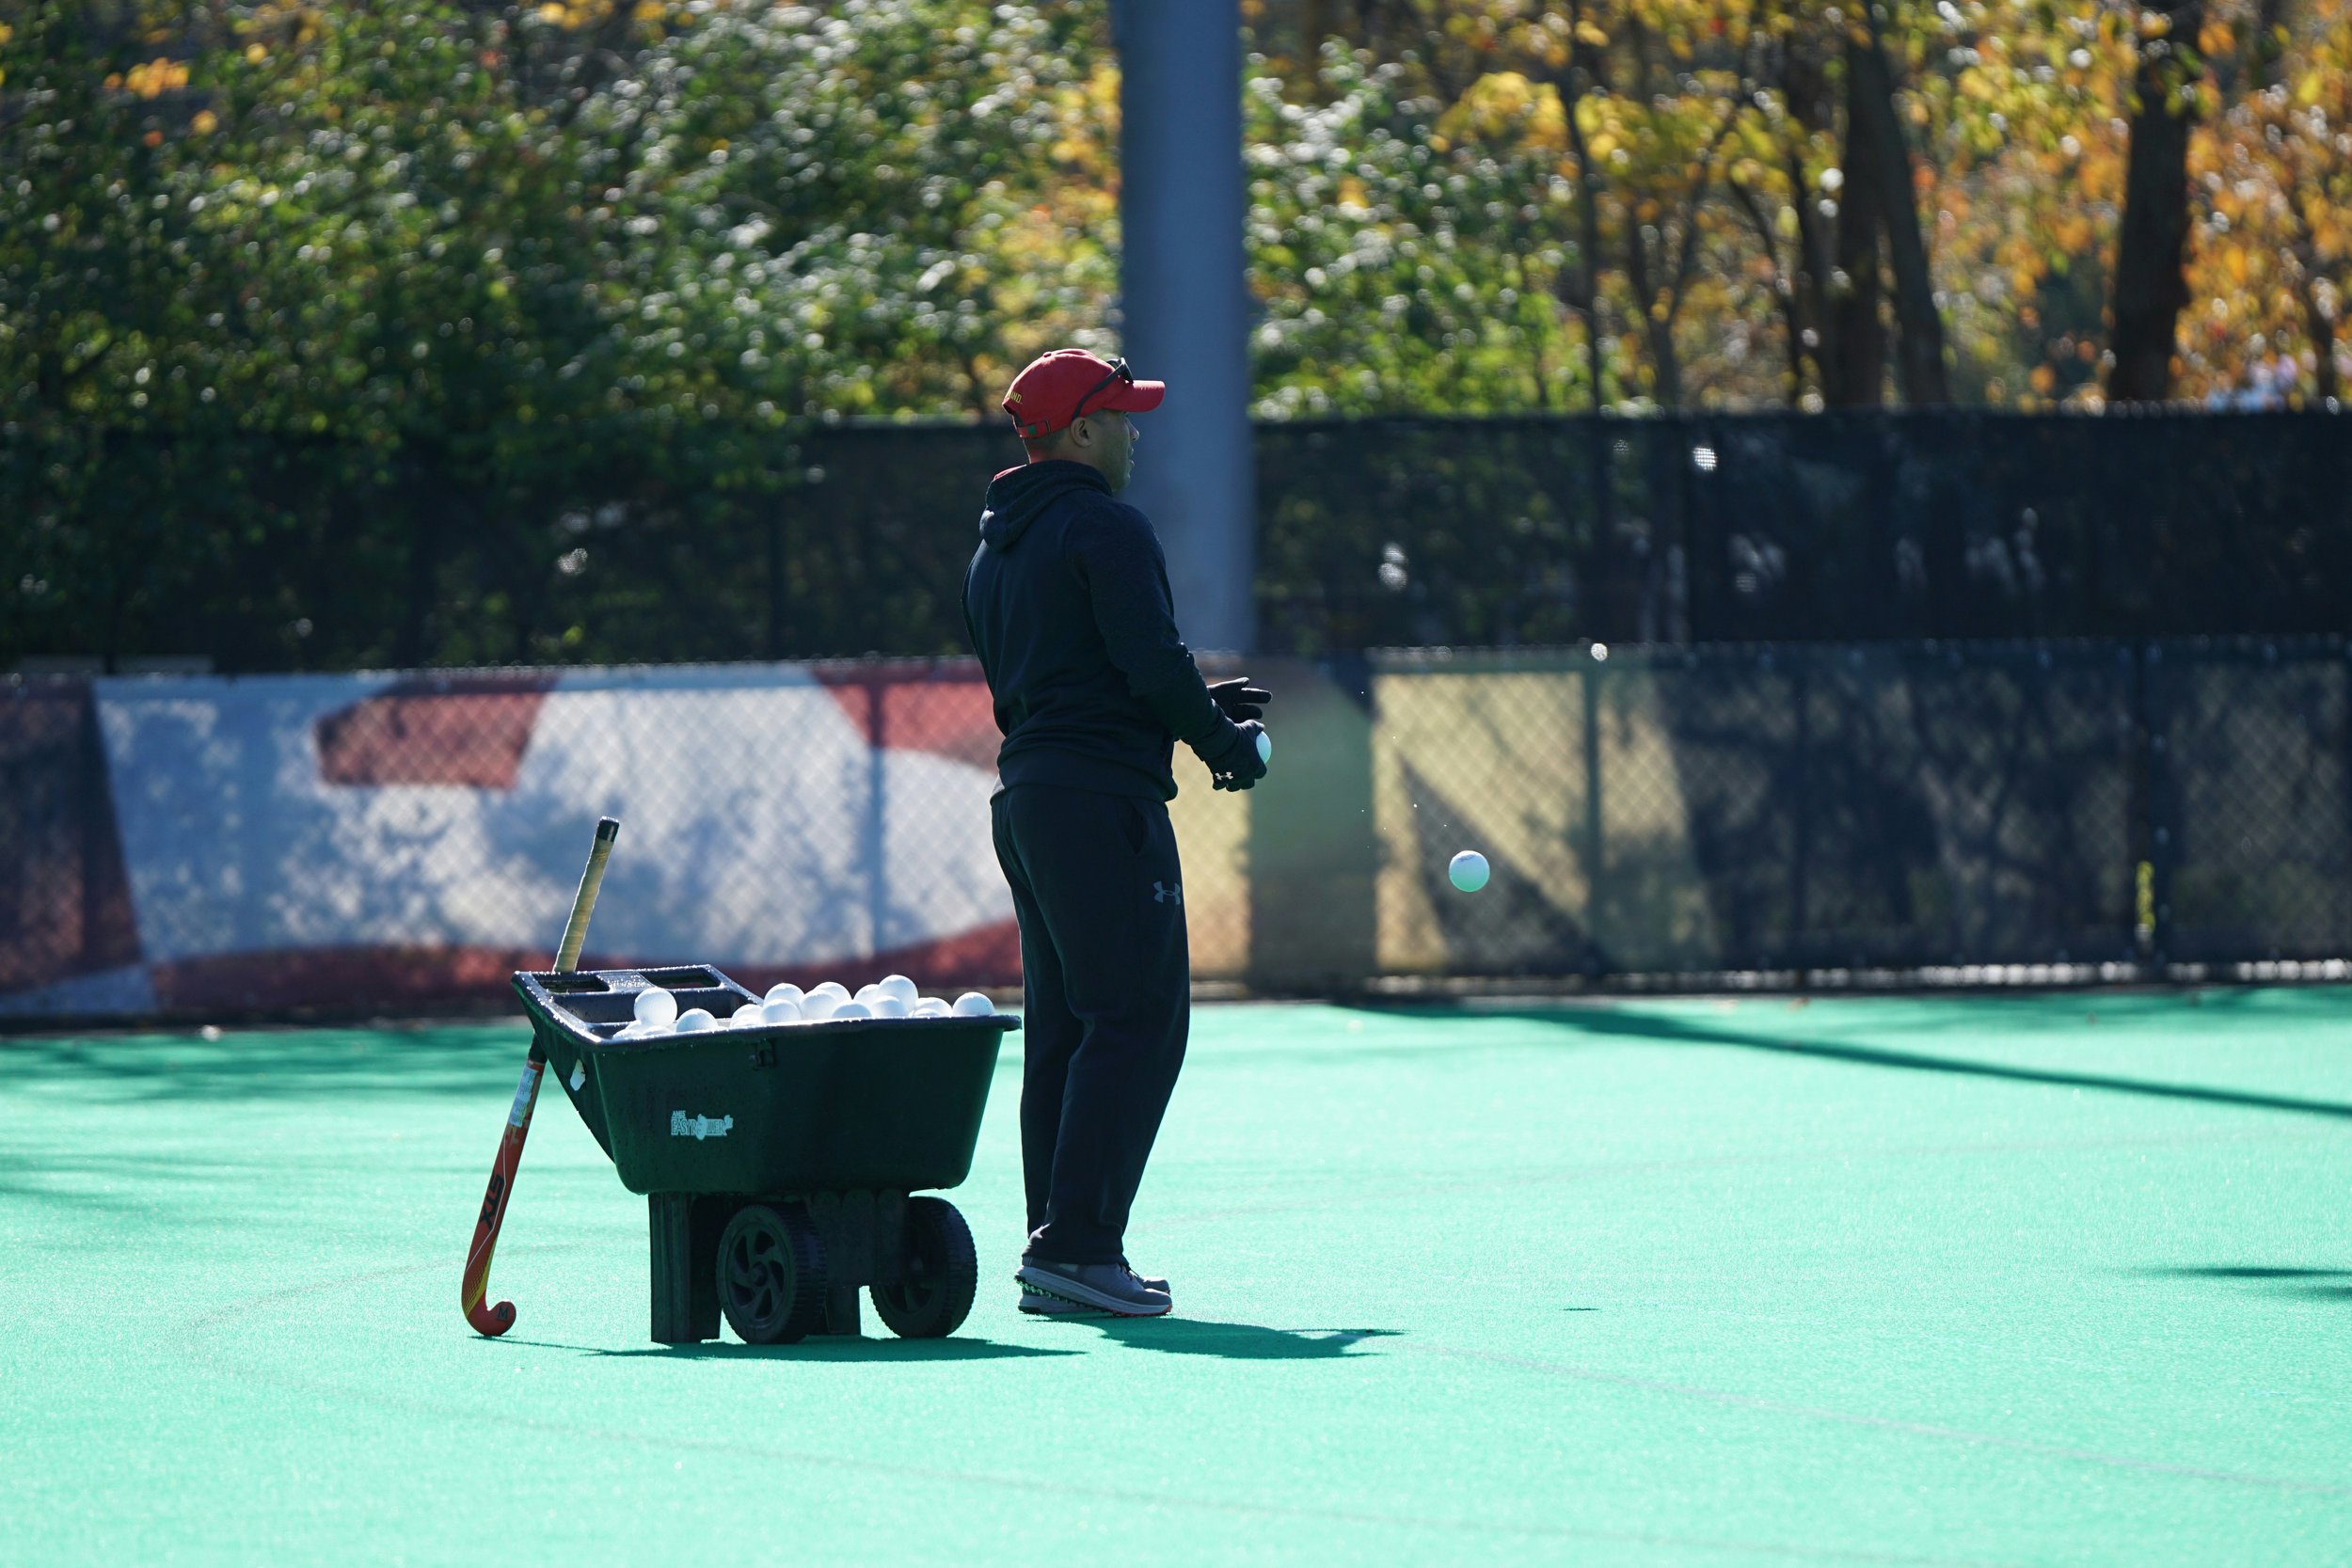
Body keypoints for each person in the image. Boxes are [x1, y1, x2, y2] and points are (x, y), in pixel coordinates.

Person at [962, 348, 1269, 1318]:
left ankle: (1054, 1242)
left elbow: (1076, 682)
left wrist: (1187, 708)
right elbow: (1148, 656)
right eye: (1121, 415)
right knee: (1135, 1020)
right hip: (1100, 806)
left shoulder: (996, 545)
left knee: (1068, 1027)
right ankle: (1079, 1244)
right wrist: (1224, 741)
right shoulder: (1104, 523)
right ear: (1081, 430)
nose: (1134, 431)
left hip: (1031, 802)